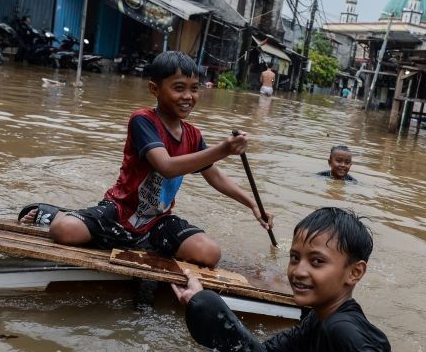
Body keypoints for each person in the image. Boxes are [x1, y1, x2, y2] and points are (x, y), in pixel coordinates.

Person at [18, 51, 273, 268]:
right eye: (178, 88)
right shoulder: (143, 121)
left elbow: (213, 174)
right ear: (155, 89)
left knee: (209, 254)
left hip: (156, 221)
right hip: (119, 211)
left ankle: (141, 241)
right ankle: (54, 214)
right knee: (63, 231)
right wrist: (223, 149)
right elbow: (166, 167)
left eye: (194, 89)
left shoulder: (193, 135)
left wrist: (252, 205)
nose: (188, 97)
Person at [172, 208, 425, 352]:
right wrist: (203, 304)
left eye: (316, 262)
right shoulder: (318, 320)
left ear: (354, 273)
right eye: (295, 258)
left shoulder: (343, 331)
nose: (298, 271)